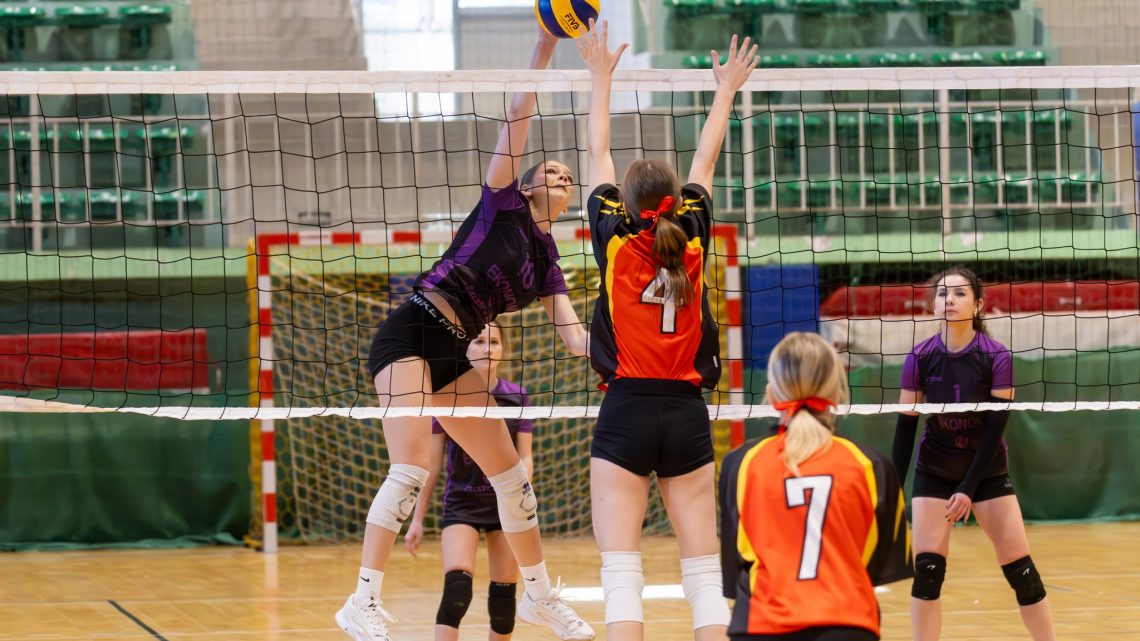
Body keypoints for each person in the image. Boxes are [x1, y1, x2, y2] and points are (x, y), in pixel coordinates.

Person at [335, 28, 595, 641]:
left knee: (513, 478)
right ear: (527, 183)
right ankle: (361, 601)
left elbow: (574, 337)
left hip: (454, 350)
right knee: (410, 469)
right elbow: (519, 110)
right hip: (411, 329)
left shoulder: (550, 261)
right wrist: (545, 44)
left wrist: (621, 347)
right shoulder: (501, 201)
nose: (562, 174)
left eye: (568, 175)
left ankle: (538, 596)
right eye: (550, 169)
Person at [576, 20, 757, 641]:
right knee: (704, 575)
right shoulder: (695, 231)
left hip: (625, 408)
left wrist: (600, 77)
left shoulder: (614, 237)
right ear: (677, 201)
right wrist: (726, 90)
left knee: (621, 574)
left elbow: (598, 154)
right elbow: (706, 157)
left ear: (624, 204)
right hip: (686, 412)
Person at [892, 267, 1057, 641]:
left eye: (959, 293)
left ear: (979, 305)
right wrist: (893, 491)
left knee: (1023, 573)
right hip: (935, 469)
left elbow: (994, 432)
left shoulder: (996, 356)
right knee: (927, 573)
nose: (949, 300)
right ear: (934, 304)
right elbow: (905, 430)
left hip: (986, 472)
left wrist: (968, 487)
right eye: (942, 294)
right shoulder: (919, 357)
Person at [720, 332, 912, 641]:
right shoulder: (871, 465)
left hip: (761, 626)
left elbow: (736, 567)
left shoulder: (740, 464)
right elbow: (876, 565)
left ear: (771, 392)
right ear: (836, 392)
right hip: (848, 625)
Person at [405, 323, 532, 641]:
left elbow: (525, 457)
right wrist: (417, 519)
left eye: (494, 342)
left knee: (503, 607)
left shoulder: (517, 397)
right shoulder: (447, 398)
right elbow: (433, 463)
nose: (487, 348)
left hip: (504, 506)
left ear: (503, 349)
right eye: (478, 341)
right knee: (457, 593)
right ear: (466, 349)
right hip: (461, 505)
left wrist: (521, 499)